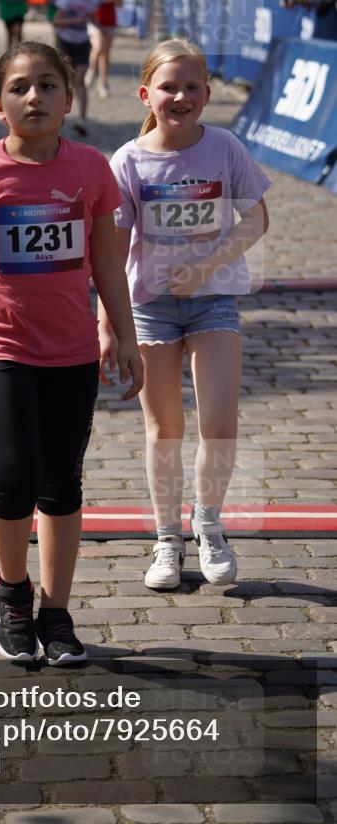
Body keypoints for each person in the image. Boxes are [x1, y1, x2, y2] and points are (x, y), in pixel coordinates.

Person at [0, 41, 143, 664]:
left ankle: (56, 609)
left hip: (71, 352)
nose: (33, 96)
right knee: (13, 481)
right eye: (19, 88)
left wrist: (124, 333)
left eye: (47, 85)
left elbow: (108, 264)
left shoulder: (92, 169)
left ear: (69, 99)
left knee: (62, 484)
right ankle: (12, 591)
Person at [98, 39, 270, 591]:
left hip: (213, 299)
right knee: (164, 429)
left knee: (219, 424)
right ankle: (167, 539)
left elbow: (256, 219)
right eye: (169, 87)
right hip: (148, 308)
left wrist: (206, 266)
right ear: (146, 94)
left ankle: (210, 526)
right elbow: (111, 250)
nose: (181, 96)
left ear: (208, 95)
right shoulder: (127, 160)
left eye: (192, 86)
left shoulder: (224, 147)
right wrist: (109, 323)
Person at [53, 0, 99, 136]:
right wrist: (74, 21)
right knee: (64, 81)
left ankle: (82, 118)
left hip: (82, 43)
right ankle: (59, 117)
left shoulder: (92, 1)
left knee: (79, 80)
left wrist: (101, 30)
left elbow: (93, 20)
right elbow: (56, 21)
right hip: (65, 42)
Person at [86, 0, 121, 98]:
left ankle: (103, 83)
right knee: (98, 47)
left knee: (105, 54)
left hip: (110, 21)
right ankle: (91, 71)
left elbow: (120, 4)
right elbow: (86, 3)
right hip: (95, 22)